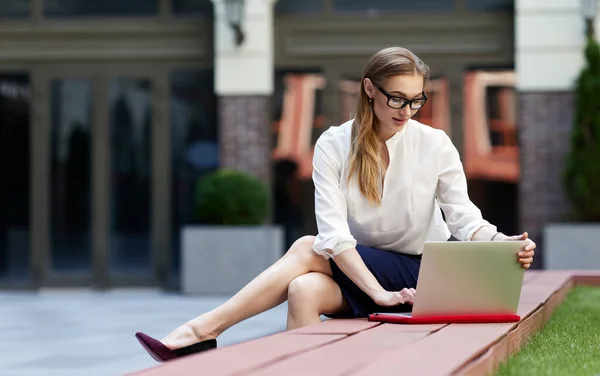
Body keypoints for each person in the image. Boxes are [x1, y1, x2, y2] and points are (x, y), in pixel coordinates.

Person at [135, 47, 536, 362]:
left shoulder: (435, 143)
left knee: (307, 247)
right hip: (361, 272)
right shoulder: (333, 144)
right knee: (305, 288)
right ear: (369, 89)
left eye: (417, 100)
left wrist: (501, 241)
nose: (407, 111)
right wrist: (376, 292)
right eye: (397, 99)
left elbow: (463, 216)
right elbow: (336, 236)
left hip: (417, 272)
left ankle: (201, 331)